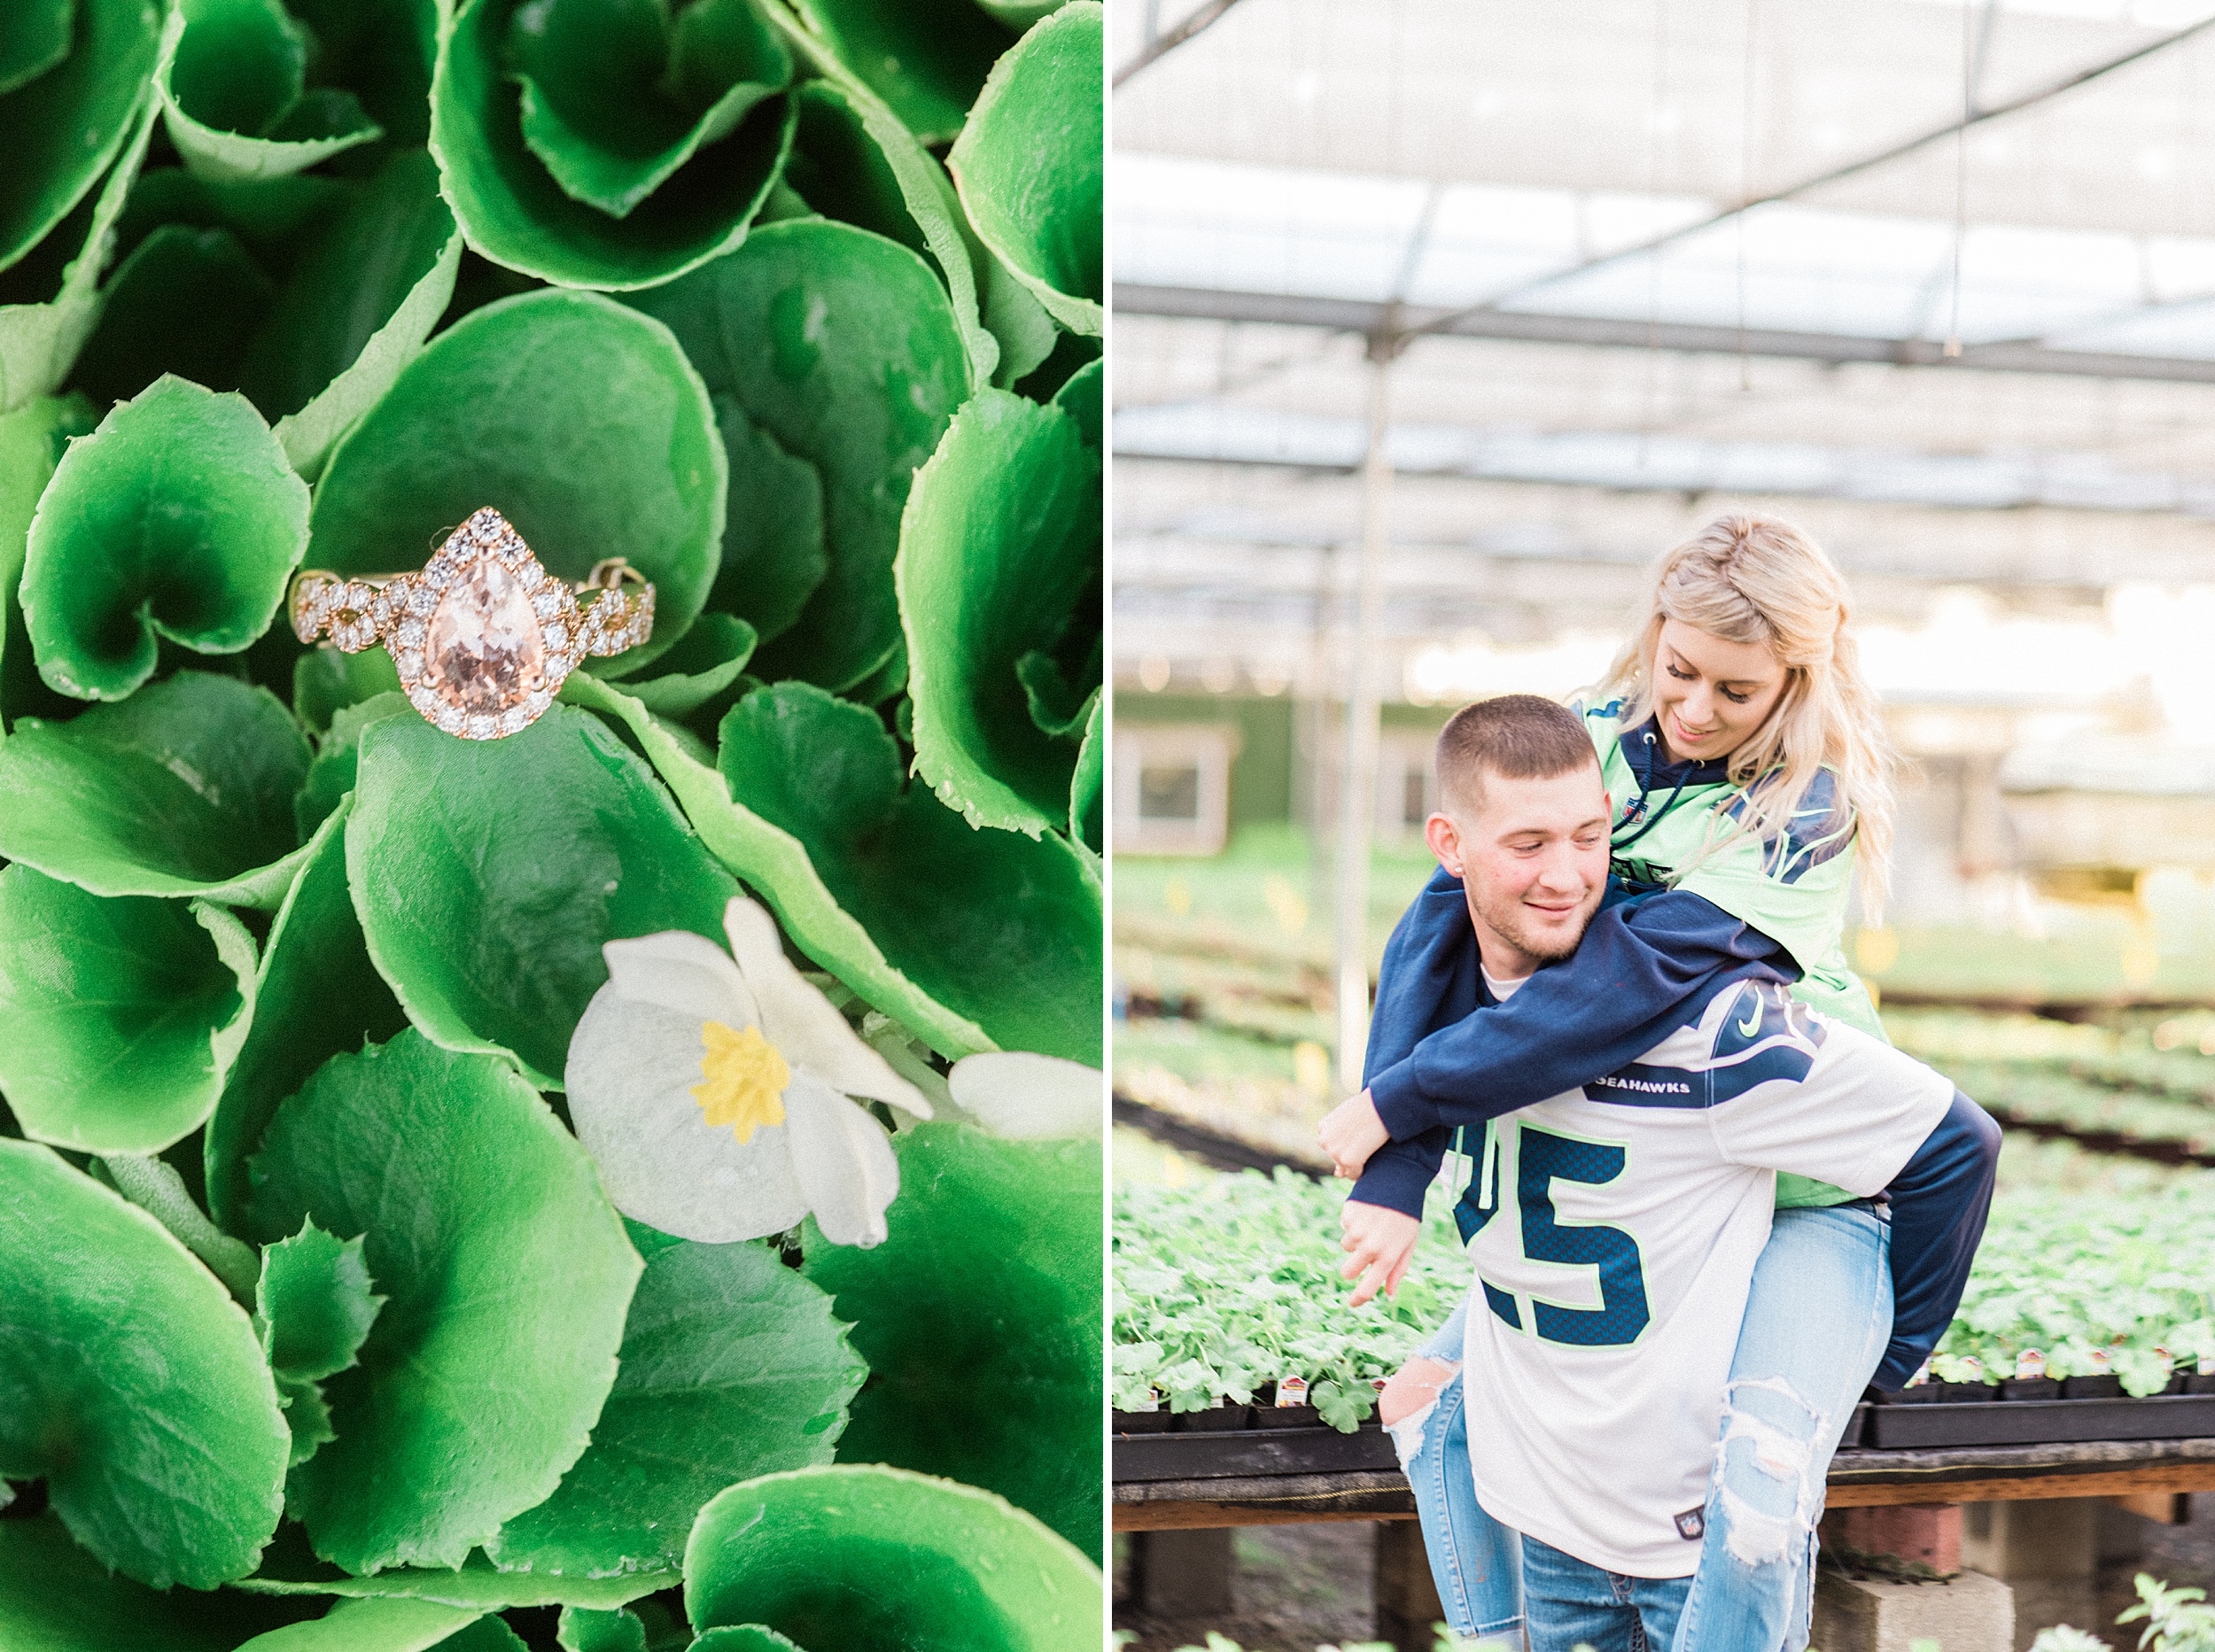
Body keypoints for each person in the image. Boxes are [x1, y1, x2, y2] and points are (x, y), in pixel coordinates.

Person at [1317, 516, 2000, 1648]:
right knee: (1432, 1400)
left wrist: (1886, 1347)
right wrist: (1397, 1170)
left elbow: (1626, 983)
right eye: (1676, 669)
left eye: (1734, 689)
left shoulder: (1802, 807)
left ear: (1799, 676)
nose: (1690, 708)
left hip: (1801, 1189)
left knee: (1759, 1477)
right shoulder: (1593, 734)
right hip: (1662, 1182)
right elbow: (1439, 917)